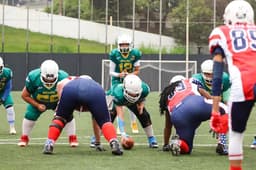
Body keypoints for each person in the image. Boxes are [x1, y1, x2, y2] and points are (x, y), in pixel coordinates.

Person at [209, 0, 256, 169]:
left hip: (245, 83)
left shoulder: (221, 32)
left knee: (236, 134)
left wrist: (215, 110)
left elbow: (217, 75)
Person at [43, 75, 123, 156]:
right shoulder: (95, 85)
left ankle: (49, 143)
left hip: (70, 90)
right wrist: (97, 142)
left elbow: (60, 85)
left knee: (60, 118)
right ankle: (114, 142)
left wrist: (62, 107)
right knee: (104, 121)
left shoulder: (69, 81)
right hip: (95, 92)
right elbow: (95, 118)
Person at [159, 75, 228, 155]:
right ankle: (222, 143)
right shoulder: (189, 81)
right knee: (224, 109)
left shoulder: (167, 96)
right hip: (192, 103)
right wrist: (218, 119)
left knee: (186, 148)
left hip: (177, 116)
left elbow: (168, 126)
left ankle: (177, 143)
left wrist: (165, 144)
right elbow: (207, 96)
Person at [18, 59, 78, 147]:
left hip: (57, 102)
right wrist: (37, 105)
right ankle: (24, 137)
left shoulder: (63, 77)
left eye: (52, 79)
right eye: (46, 79)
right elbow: (24, 95)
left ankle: (72, 137)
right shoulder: (33, 77)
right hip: (38, 101)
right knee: (29, 115)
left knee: (68, 115)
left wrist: (60, 105)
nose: (49, 82)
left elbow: (69, 96)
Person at [192, 59, 231, 155]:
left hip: (220, 104)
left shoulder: (224, 78)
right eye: (207, 74)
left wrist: (226, 111)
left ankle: (221, 144)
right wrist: (213, 99)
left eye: (212, 73)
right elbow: (198, 94)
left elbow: (226, 96)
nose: (210, 76)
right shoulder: (196, 78)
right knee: (193, 119)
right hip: (203, 103)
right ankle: (187, 139)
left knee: (226, 119)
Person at [110, 74, 158, 148]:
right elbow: (120, 114)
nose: (133, 96)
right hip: (115, 99)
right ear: (124, 88)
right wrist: (123, 133)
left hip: (134, 102)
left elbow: (143, 97)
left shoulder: (145, 89)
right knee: (108, 116)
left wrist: (141, 104)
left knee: (144, 114)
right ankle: (96, 138)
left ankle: (151, 138)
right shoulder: (117, 93)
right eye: (131, 93)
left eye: (136, 94)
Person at [109, 34, 141, 134]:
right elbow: (111, 72)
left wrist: (129, 75)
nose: (124, 47)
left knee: (132, 101)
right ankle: (119, 125)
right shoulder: (114, 54)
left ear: (130, 45)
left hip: (130, 80)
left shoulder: (135, 53)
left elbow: (137, 70)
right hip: (117, 81)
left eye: (126, 44)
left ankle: (133, 123)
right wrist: (119, 74)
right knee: (119, 103)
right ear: (119, 45)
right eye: (122, 45)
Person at [0, 57, 16, 134]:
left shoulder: (7, 72)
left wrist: (3, 98)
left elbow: (8, 87)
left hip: (3, 92)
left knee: (10, 109)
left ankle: (12, 128)